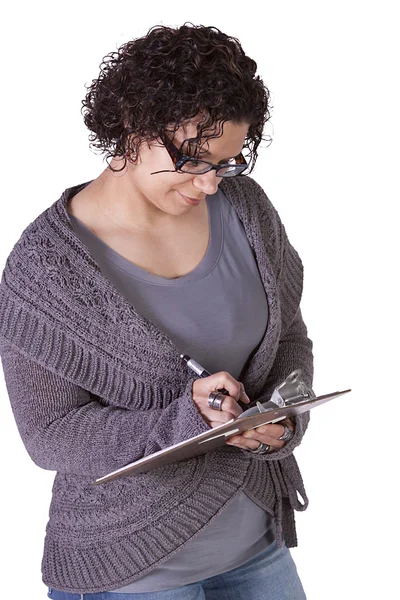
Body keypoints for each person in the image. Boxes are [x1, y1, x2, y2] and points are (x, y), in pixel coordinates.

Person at [0, 23, 314, 600]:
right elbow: (48, 436)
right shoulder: (44, 271)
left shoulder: (247, 210)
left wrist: (282, 416)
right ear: (131, 123)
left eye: (227, 163)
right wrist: (186, 421)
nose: (213, 185)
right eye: (194, 159)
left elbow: (288, 332)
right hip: (130, 571)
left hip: (257, 546)